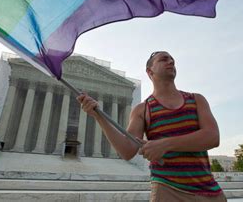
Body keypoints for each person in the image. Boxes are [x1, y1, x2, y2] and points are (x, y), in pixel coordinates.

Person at [78, 51, 227, 201]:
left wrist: (164, 145)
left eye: (172, 60)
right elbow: (127, 150)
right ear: (150, 71)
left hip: (209, 191)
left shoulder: (197, 100)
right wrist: (99, 116)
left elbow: (212, 137)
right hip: (167, 190)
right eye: (164, 59)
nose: (171, 62)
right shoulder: (143, 109)